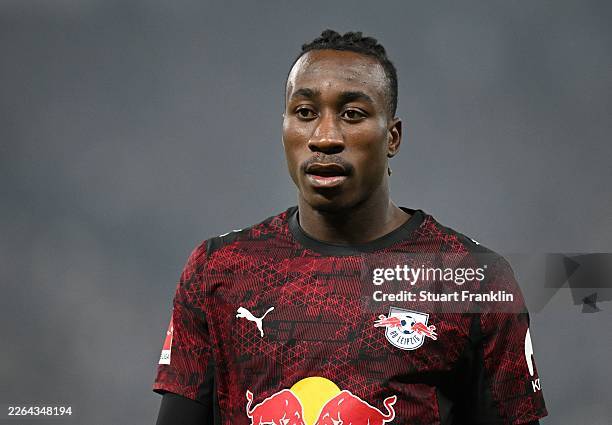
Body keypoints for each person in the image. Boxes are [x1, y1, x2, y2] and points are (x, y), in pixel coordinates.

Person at [152, 29, 548, 424]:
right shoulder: (219, 269)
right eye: (305, 112)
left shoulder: (471, 278)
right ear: (284, 127)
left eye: (352, 114)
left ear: (392, 137)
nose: (324, 138)